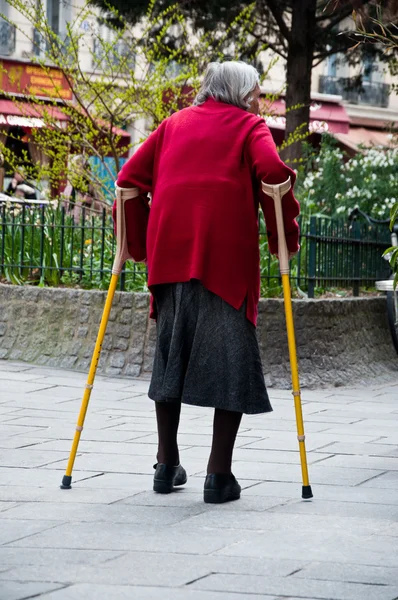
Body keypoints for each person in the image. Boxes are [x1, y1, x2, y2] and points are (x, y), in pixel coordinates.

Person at [113, 61, 300, 504]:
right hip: (224, 261)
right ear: (240, 93)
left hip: (171, 257)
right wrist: (284, 239)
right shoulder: (250, 126)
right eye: (256, 92)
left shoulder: (173, 124)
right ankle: (218, 476)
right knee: (232, 362)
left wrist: (139, 245)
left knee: (170, 356)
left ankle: (165, 464)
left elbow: (128, 181)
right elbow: (274, 174)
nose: (259, 101)